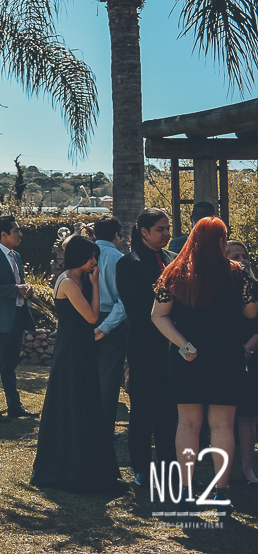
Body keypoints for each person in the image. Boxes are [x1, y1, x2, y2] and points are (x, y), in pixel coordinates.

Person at [152, 217, 258, 508]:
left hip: (189, 354)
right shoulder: (238, 274)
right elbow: (251, 314)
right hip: (226, 356)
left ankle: (186, 489)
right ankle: (221, 491)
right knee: (222, 425)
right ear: (222, 241)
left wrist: (181, 342)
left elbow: (157, 315)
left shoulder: (174, 272)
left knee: (187, 424)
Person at [30, 236, 124, 493]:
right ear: (79, 256)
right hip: (72, 351)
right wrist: (94, 286)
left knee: (83, 402)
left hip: (79, 348)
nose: (95, 261)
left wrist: (91, 282)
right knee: (74, 403)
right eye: (91, 257)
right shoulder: (70, 283)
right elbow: (92, 317)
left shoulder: (75, 279)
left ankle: (84, 462)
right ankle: (69, 466)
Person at [115, 208, 177, 489]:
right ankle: (141, 468)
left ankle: (168, 467)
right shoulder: (128, 263)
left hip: (173, 345)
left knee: (169, 410)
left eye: (167, 228)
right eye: (160, 229)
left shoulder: (172, 260)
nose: (166, 233)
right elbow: (135, 307)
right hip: (143, 344)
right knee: (142, 409)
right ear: (144, 231)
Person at [0, 215, 37, 423]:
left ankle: (14, 406)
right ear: (3, 234)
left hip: (17, 317)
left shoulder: (17, 256)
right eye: (16, 231)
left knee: (10, 366)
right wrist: (15, 289)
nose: (20, 234)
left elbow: (16, 284)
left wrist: (25, 290)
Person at [91, 216, 128, 440]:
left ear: (95, 234)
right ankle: (103, 427)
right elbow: (123, 301)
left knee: (88, 373)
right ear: (116, 235)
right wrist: (106, 326)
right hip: (110, 319)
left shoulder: (85, 255)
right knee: (109, 376)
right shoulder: (118, 258)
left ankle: (86, 422)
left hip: (87, 317)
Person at [226, 240, 258, 488]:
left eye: (245, 256)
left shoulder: (255, 287)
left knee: (246, 415)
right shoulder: (217, 288)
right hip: (222, 355)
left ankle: (248, 468)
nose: (242, 260)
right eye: (235, 256)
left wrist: (248, 349)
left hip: (250, 354)